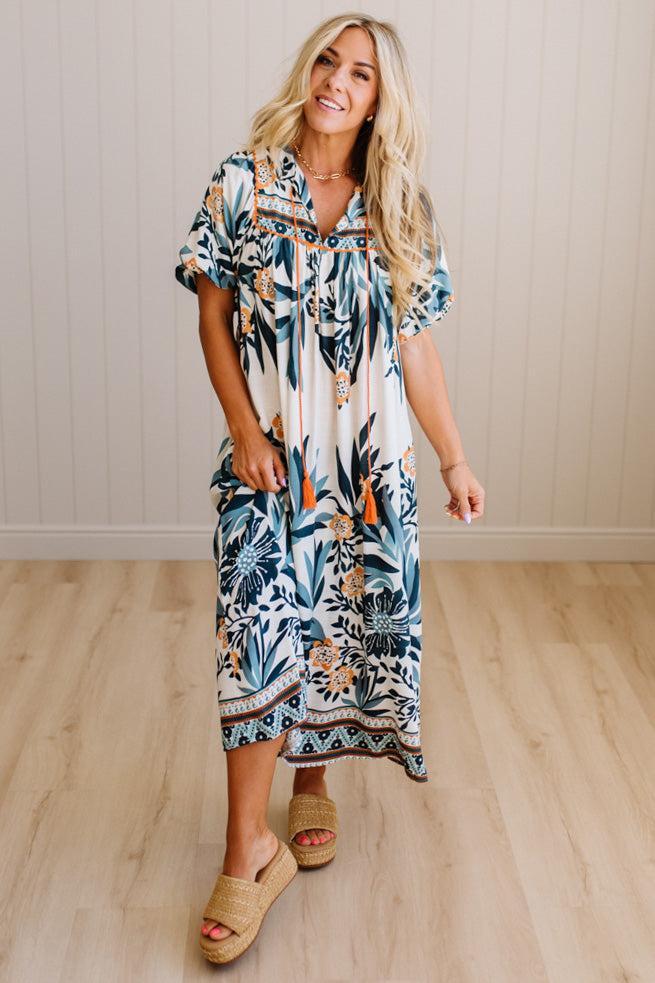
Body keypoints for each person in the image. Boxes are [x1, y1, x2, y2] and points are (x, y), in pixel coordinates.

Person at [174, 12, 485, 965]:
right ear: (306, 71)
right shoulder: (241, 181)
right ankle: (247, 849)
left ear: (380, 100)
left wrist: (453, 457)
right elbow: (213, 319)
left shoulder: (399, 206)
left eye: (360, 73)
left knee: (333, 630)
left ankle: (311, 783)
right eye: (327, 60)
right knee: (254, 629)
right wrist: (243, 430)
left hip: (368, 472)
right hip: (269, 461)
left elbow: (415, 349)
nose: (336, 81)